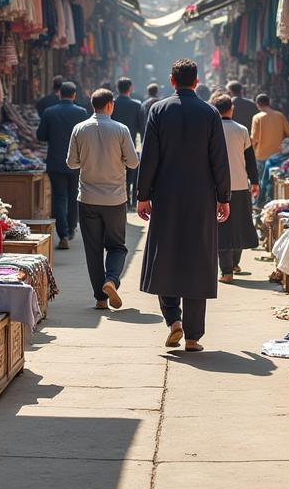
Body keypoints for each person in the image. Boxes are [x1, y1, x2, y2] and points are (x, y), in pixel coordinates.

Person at [137, 59, 231, 352]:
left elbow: (149, 155)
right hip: (201, 196)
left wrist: (142, 194)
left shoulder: (159, 110)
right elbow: (219, 159)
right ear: (197, 81)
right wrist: (224, 197)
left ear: (172, 80)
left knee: (165, 254)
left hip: (166, 195)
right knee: (197, 259)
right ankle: (192, 336)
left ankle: (172, 320)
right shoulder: (209, 112)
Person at [66, 88, 139, 310]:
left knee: (93, 249)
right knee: (117, 246)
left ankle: (100, 298)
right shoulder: (121, 129)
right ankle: (111, 280)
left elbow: (71, 163)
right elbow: (133, 163)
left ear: (92, 105)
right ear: (110, 105)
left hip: (87, 197)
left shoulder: (79, 129)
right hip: (115, 198)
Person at [210, 93, 260, 283]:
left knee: (222, 227)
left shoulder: (210, 130)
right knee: (239, 224)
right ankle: (234, 263)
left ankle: (227, 271)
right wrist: (255, 182)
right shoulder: (242, 130)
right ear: (231, 109)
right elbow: (250, 159)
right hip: (240, 184)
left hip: (216, 187)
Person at [36, 81, 87, 249]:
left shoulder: (49, 112)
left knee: (59, 197)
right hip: (77, 162)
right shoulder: (81, 112)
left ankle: (62, 234)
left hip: (56, 162)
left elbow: (41, 135)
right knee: (73, 195)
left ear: (59, 94)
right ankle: (72, 229)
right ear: (74, 95)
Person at [110, 77, 142, 209]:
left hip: (112, 144)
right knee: (131, 172)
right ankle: (129, 200)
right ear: (130, 89)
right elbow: (140, 126)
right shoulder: (136, 105)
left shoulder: (111, 104)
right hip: (130, 143)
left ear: (117, 88)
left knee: (115, 172)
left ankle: (118, 199)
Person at [250, 92, 289, 167]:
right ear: (269, 103)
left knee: (262, 178)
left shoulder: (257, 117)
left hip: (261, 155)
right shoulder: (280, 115)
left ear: (257, 104)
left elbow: (254, 138)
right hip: (278, 155)